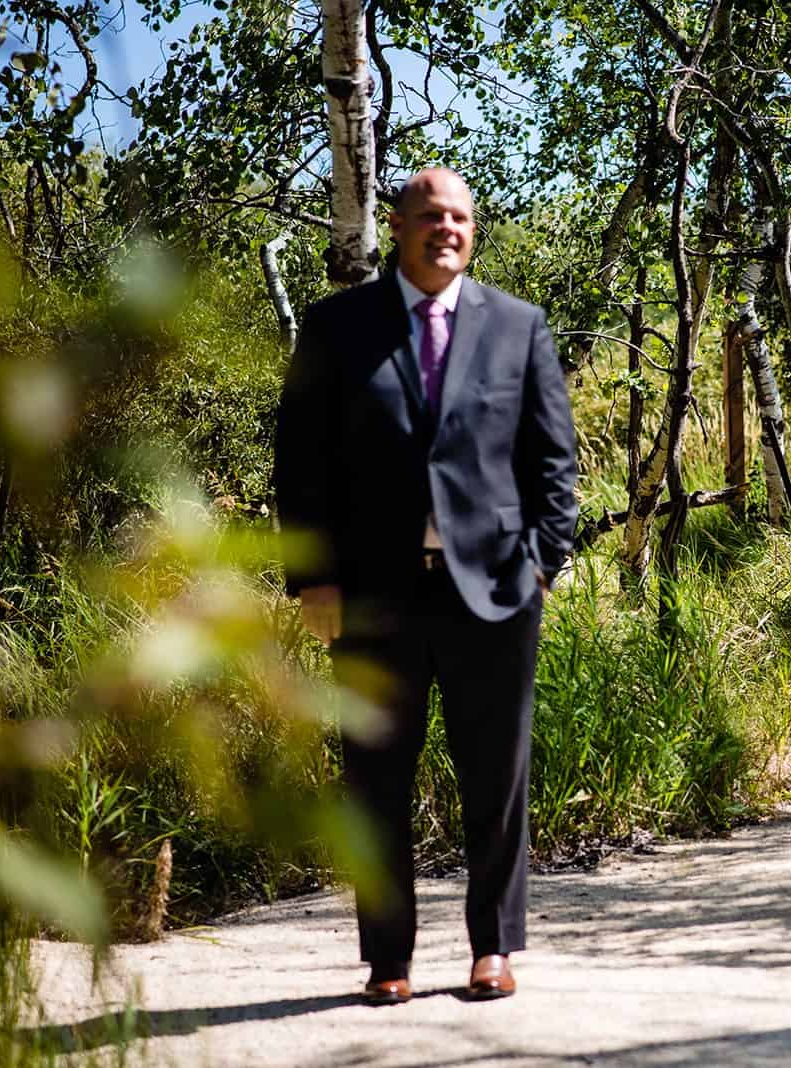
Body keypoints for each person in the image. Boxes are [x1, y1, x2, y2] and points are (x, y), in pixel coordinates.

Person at [273, 167, 577, 1004]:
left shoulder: (518, 326)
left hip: (495, 591)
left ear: (474, 232)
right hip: (372, 593)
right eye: (431, 215)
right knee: (373, 779)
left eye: (462, 217)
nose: (448, 228)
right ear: (399, 228)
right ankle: (389, 960)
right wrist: (314, 580)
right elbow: (300, 463)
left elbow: (554, 461)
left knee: (496, 776)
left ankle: (494, 948)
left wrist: (546, 561)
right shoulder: (338, 328)